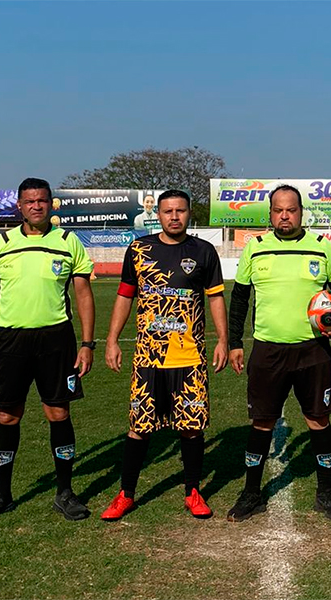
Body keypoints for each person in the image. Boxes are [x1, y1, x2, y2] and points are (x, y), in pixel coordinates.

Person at [0, 177, 96, 521]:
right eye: (30, 201)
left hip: (56, 340)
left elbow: (83, 294)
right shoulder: (3, 243)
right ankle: (1, 494)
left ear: (51, 204)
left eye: (42, 200)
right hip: (10, 341)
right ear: (20, 206)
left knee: (59, 414)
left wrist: (87, 344)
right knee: (7, 416)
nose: (36, 206)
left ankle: (65, 493)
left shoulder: (68, 242)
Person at [226, 184, 331, 522]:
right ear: (270, 214)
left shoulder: (322, 247)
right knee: (262, 421)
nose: (285, 216)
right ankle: (251, 493)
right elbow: (239, 299)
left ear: (301, 213)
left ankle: (326, 493)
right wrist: (235, 342)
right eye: (278, 210)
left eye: (291, 210)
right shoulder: (255, 248)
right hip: (267, 350)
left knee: (319, 420)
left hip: (313, 350)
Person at [101, 190, 228, 521]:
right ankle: (126, 494)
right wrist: (112, 340)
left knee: (191, 428)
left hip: (189, 357)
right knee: (139, 427)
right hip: (148, 358)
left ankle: (193, 492)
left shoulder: (203, 251)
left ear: (189, 213)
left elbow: (215, 297)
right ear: (157, 214)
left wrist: (223, 340)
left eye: (180, 211)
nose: (174, 216)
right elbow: (125, 296)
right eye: (168, 211)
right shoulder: (139, 249)